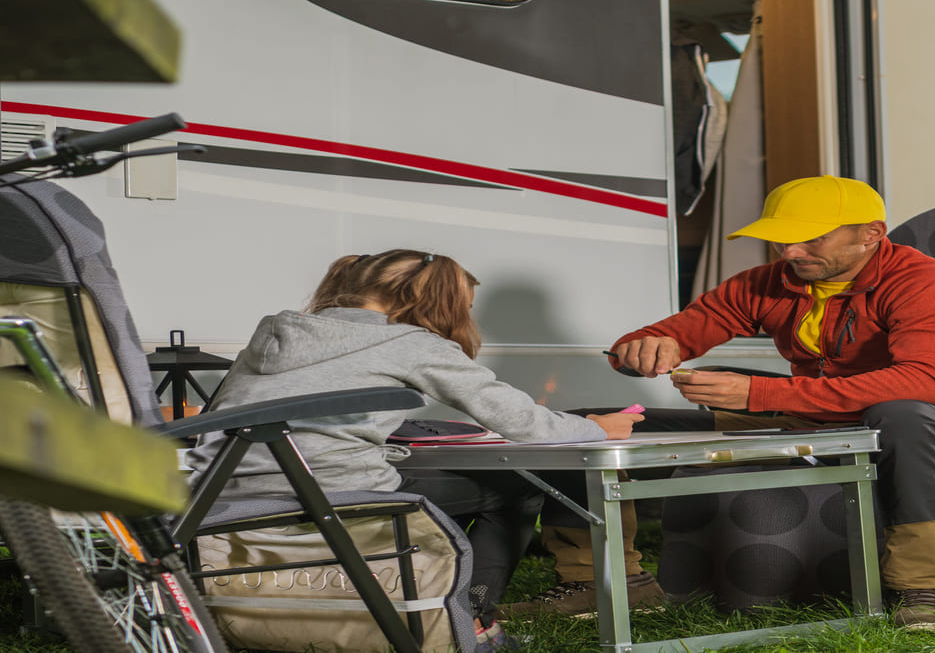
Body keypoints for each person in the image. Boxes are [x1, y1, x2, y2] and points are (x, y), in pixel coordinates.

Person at [186, 249, 645, 651]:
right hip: (336, 495)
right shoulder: (408, 341)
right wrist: (595, 426)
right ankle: (471, 620)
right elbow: (521, 422)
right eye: (463, 306)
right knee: (517, 486)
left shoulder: (274, 332)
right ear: (432, 299)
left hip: (220, 498)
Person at [614, 175, 935, 630]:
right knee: (594, 427)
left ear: (871, 235)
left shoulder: (928, 283)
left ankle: (927, 588)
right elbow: (680, 330)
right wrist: (643, 346)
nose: (791, 253)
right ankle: (600, 582)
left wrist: (757, 394)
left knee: (902, 415)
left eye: (810, 239)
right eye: (781, 241)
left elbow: (926, 384)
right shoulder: (769, 282)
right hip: (814, 420)